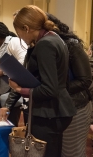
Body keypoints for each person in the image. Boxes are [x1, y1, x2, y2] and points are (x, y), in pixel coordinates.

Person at [7, 5, 76, 157]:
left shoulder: (45, 44)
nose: (19, 38)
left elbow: (49, 89)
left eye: (18, 33)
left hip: (49, 113)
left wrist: (19, 89)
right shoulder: (54, 37)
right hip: (56, 110)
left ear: (26, 28)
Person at [46, 13, 92, 157]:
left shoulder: (71, 45)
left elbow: (85, 81)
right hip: (54, 108)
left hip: (75, 106)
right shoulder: (39, 47)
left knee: (72, 153)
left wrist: (54, 90)